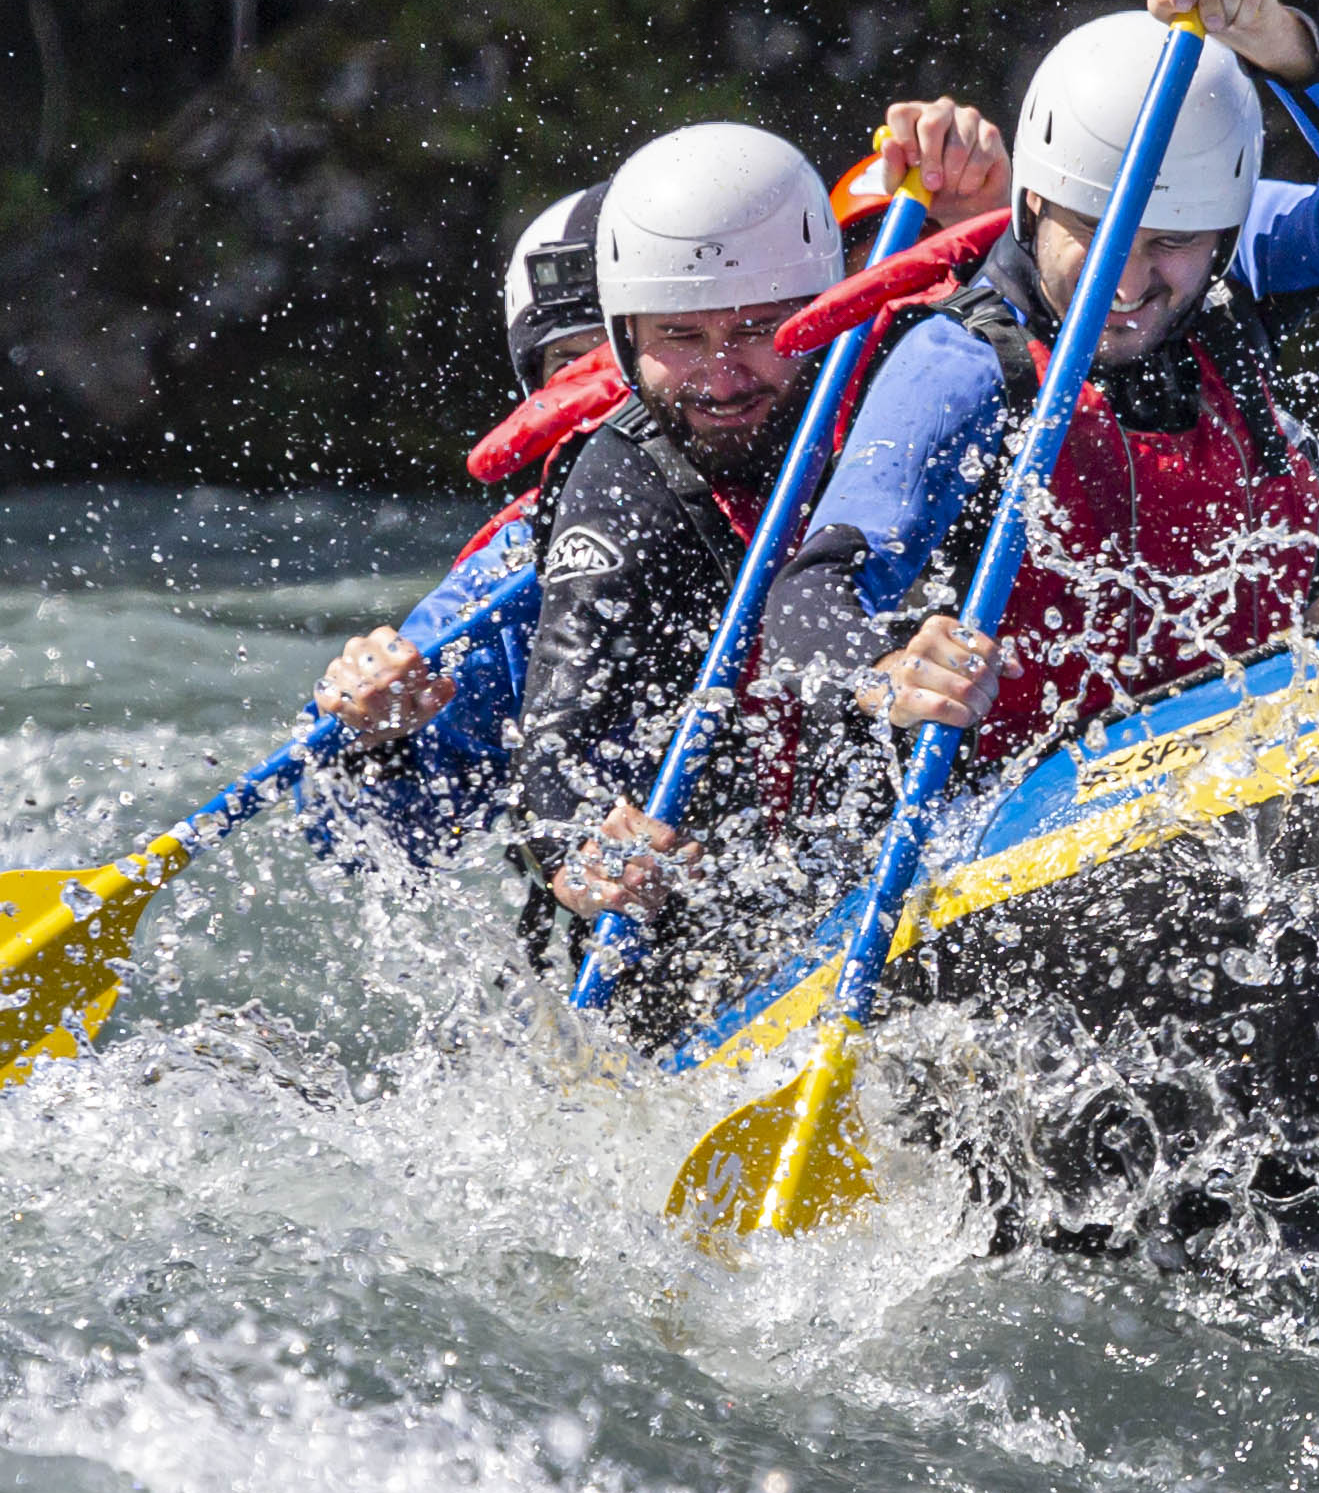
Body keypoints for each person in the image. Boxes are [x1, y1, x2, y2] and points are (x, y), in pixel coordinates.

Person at [780, 0, 1319, 770]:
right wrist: (885, 671)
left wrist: (1278, 41)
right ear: (1033, 202)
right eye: (1096, 235)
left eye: (1171, 244)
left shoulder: (1236, 272)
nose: (1129, 284)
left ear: (1221, 233)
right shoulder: (960, 364)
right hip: (1047, 795)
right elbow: (812, 592)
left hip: (1253, 751)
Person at [508, 121, 884, 1023]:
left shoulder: (889, 409)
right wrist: (581, 853)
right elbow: (557, 739)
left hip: (874, 862)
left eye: (758, 329)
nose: (721, 378)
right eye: (680, 336)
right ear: (624, 335)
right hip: (704, 921)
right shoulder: (618, 481)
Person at [298, 188, 601, 858]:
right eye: (574, 362)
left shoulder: (832, 504)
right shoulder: (511, 576)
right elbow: (367, 848)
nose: (610, 392)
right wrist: (376, 743)